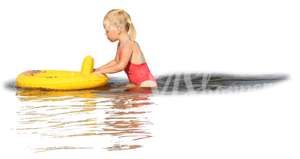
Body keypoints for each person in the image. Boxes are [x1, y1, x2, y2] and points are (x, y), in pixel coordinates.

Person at [94, 9, 158, 88]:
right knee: (122, 94)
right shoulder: (120, 44)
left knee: (121, 96)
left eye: (107, 31)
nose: (105, 34)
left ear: (118, 28)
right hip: (135, 83)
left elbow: (121, 66)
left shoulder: (129, 44)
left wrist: (101, 71)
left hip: (146, 83)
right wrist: (97, 69)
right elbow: (116, 61)